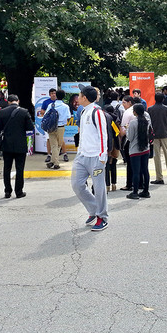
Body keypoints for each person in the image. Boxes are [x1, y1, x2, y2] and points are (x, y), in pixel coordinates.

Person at [71, 86, 108, 230]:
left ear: (84, 97)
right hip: (82, 156)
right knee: (77, 185)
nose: (77, 98)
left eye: (79, 95)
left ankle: (102, 217)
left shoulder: (97, 112)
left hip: (96, 157)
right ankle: (93, 209)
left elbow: (103, 134)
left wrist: (102, 156)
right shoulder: (84, 111)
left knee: (99, 189)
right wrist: (79, 151)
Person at [0, 94, 34, 198]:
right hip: (20, 144)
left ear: (8, 102)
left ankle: (7, 191)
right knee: (20, 168)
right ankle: (19, 191)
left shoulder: (3, 112)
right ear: (18, 101)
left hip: (7, 144)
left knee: (7, 168)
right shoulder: (24, 112)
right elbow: (30, 127)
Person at [148, 92, 167, 183]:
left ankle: (159, 177)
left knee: (157, 157)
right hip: (165, 133)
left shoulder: (150, 109)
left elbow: (149, 123)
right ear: (163, 99)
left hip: (155, 135)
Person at [126, 103, 152, 199]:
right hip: (145, 148)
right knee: (145, 170)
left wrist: (127, 128)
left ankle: (135, 192)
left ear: (135, 112)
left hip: (135, 150)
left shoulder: (133, 122)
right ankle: (146, 191)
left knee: (136, 171)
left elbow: (130, 137)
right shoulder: (147, 121)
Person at [46, 90, 71, 170]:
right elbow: (68, 117)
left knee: (53, 145)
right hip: (61, 127)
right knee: (59, 145)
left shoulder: (51, 105)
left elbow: (46, 115)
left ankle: (53, 161)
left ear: (56, 95)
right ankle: (56, 163)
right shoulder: (65, 106)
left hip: (51, 127)